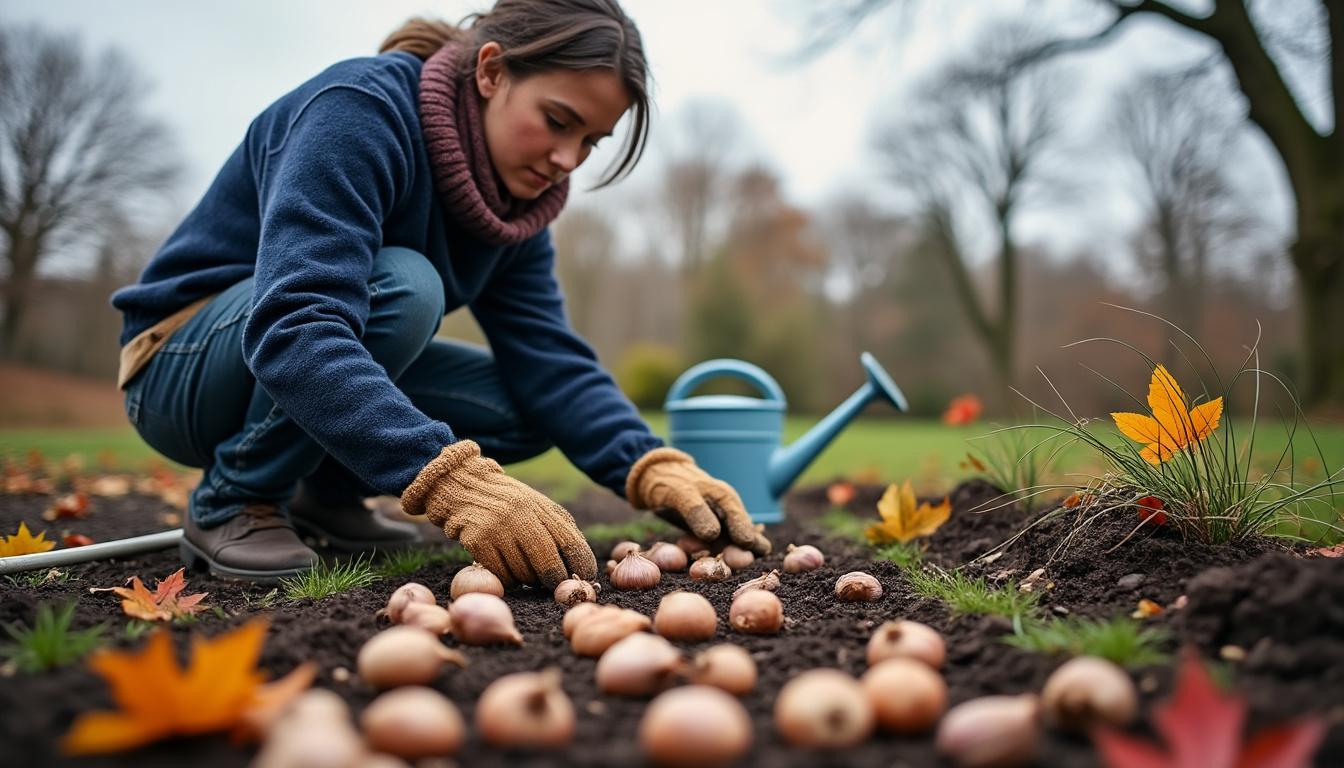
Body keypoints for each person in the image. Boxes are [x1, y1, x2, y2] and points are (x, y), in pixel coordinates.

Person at [112, 0, 771, 585]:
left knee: (527, 404)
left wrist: (649, 462)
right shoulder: (358, 112)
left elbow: (549, 359)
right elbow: (295, 327)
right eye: (557, 120)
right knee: (405, 286)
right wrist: (452, 482)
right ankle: (236, 497)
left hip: (281, 360)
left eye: (590, 142)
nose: (568, 159)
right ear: (490, 71)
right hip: (180, 363)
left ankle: (327, 497)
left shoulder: (515, 205)